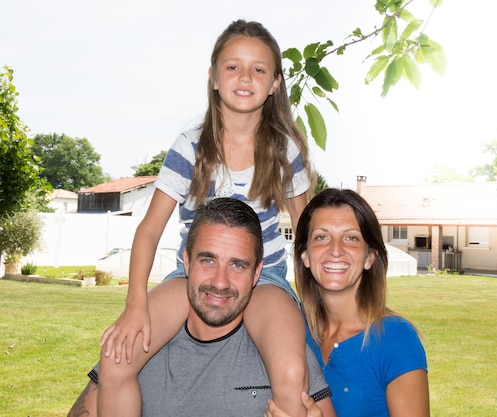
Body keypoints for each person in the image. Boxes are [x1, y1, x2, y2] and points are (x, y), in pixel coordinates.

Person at [96, 20, 315, 417]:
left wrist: (314, 304)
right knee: (115, 361)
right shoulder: (191, 147)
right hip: (192, 275)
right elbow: (149, 231)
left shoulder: (283, 149)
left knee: (291, 370)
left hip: (265, 276)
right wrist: (135, 305)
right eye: (232, 67)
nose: (245, 77)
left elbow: (306, 231)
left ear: (275, 84)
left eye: (259, 69)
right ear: (213, 77)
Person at [68, 198, 335, 417]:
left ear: (257, 274)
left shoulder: (280, 344)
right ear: (186, 262)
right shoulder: (144, 342)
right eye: (208, 261)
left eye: (237, 265)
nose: (220, 282)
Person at [270, 188, 430, 417]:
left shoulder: (396, 340)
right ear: (304, 255)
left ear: (370, 257)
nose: (335, 250)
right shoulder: (290, 328)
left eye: (351, 238)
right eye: (321, 237)